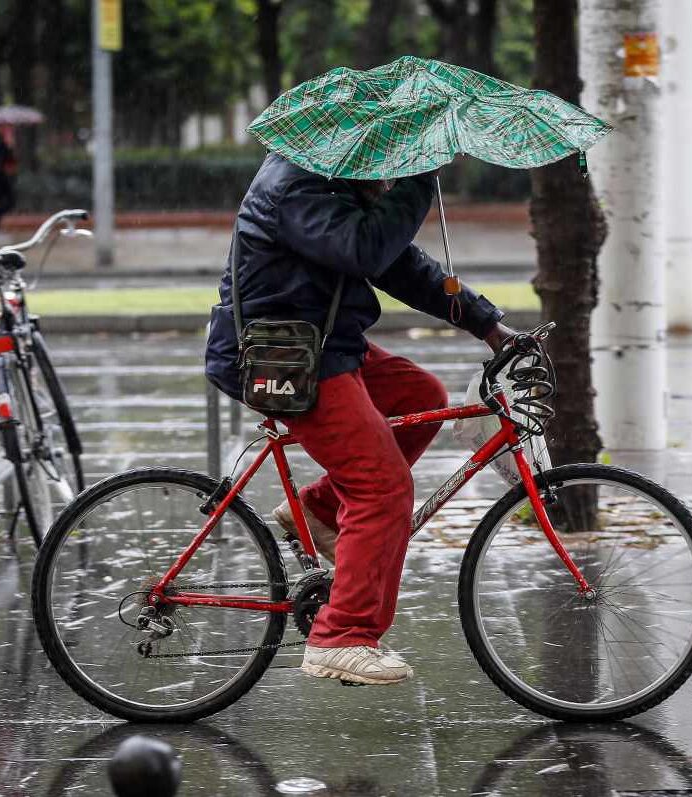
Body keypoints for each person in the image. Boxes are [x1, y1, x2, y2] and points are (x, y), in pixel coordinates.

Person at [205, 153, 517, 685]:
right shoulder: (297, 187)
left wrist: (488, 325)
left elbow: (398, 264)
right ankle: (341, 636)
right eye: (393, 159)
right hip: (280, 355)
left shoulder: (336, 186)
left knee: (420, 397)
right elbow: (365, 248)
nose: (392, 171)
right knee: (382, 486)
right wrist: (420, 181)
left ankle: (321, 512)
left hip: (322, 343)